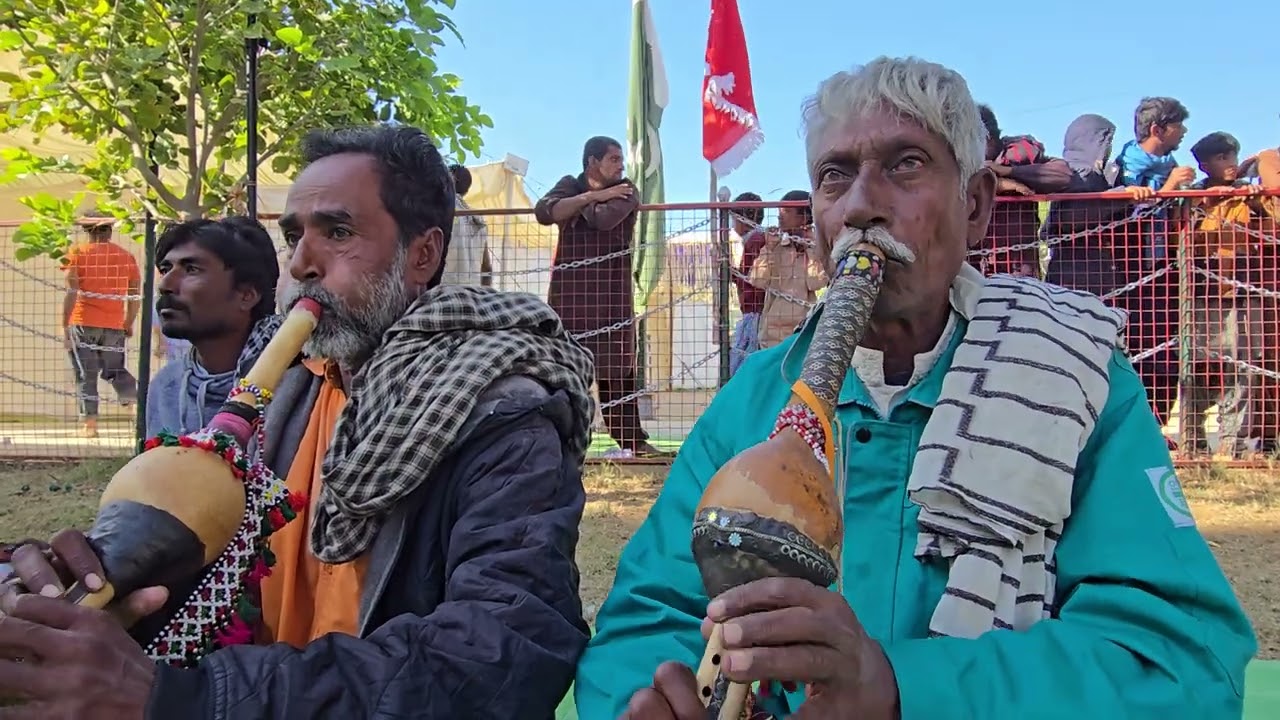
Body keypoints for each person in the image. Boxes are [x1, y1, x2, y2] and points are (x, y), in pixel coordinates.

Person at [575, 56, 1255, 719]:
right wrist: (651, 696)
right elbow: (649, 618)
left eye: (905, 164)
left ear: (976, 204)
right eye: (835, 176)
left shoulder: (1076, 379)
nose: (861, 206)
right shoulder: (758, 396)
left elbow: (1179, 664)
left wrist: (906, 690)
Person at [0, 124, 597, 719]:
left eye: (338, 233)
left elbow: (503, 653)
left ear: (422, 255)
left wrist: (186, 699)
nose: (303, 264)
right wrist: (107, 587)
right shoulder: (290, 391)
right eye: (293, 237)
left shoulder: (501, 414)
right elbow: (222, 591)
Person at [535, 135, 671, 458]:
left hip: (611, 297)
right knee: (565, 371)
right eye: (613, 159)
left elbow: (603, 219)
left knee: (618, 370)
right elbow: (544, 212)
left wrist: (577, 205)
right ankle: (561, 442)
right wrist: (594, 196)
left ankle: (632, 443)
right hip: (570, 299)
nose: (621, 166)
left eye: (621, 159)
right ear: (592, 162)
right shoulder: (570, 184)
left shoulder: (627, 189)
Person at [145, 216, 283, 438]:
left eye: (191, 269)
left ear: (247, 295)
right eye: (165, 269)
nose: (165, 285)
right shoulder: (166, 386)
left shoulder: (295, 384)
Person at [60, 212, 141, 438]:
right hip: (114, 324)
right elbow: (135, 295)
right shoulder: (126, 257)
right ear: (110, 230)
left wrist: (64, 326)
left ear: (87, 231)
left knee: (86, 374)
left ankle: (90, 426)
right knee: (116, 371)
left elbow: (71, 292)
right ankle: (136, 410)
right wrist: (128, 322)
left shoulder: (77, 253)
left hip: (83, 321)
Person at [976, 104, 1072, 278]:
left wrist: (1009, 171)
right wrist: (1000, 184)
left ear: (990, 138)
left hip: (1018, 271)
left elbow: (1063, 175)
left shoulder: (1019, 155)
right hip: (974, 268)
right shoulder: (959, 160)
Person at [748, 189, 827, 350]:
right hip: (773, 333)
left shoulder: (815, 248)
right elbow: (757, 280)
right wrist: (769, 249)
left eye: (787, 211)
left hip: (804, 329)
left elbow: (816, 282)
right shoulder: (775, 246)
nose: (780, 216)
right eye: (779, 211)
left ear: (803, 217)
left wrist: (810, 249)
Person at [729, 191, 766, 375]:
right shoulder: (754, 239)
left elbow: (753, 279)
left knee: (742, 363)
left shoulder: (755, 241)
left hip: (755, 309)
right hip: (753, 308)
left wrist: (734, 274)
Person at [440, 163, 493, 287]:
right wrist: (485, 294)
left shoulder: (442, 209)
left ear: (447, 181)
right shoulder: (479, 220)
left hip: (444, 290)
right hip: (472, 291)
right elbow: (486, 267)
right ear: (467, 190)